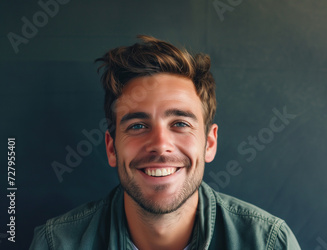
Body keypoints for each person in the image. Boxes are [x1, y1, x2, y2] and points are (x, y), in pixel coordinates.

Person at [30, 35, 301, 250]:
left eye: (180, 124)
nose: (160, 145)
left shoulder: (268, 243)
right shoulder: (57, 244)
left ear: (209, 143)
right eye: (137, 126)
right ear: (112, 148)